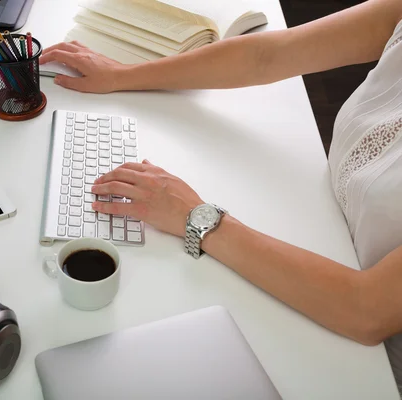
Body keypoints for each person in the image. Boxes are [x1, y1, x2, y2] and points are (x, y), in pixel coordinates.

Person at [41, 0, 402, 393]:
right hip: (326, 233)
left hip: (366, 352)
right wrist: (123, 76)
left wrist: (196, 217)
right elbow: (268, 55)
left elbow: (365, 310)